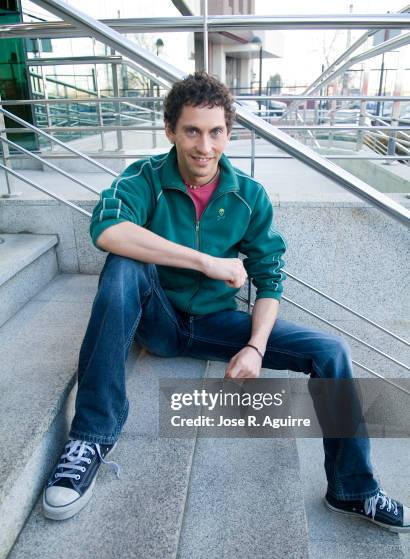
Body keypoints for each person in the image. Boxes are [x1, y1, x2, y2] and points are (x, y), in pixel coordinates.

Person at [42, 72, 409, 532]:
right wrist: (207, 262)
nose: (204, 146)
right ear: (170, 129)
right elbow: (107, 230)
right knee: (123, 264)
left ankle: (353, 489)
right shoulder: (144, 177)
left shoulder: (248, 196)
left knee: (331, 351)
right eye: (192, 130)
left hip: (216, 323)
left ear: (229, 133)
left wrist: (255, 346)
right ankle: (90, 439)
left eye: (216, 132)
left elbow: (270, 279)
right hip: (159, 318)